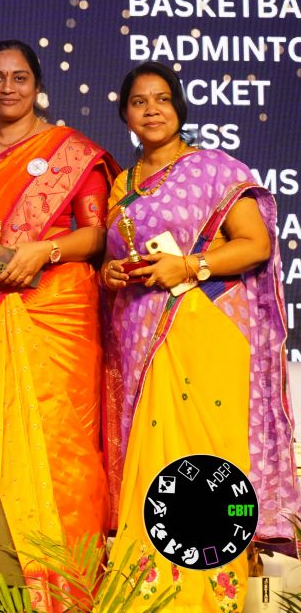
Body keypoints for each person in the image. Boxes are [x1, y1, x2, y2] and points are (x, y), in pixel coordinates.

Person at [100, 62, 299, 612]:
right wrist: (110, 272)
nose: (152, 110)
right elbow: (123, 258)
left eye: (162, 99)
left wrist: (189, 266)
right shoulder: (121, 184)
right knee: (153, 472)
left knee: (205, 470)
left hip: (203, 334)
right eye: (139, 101)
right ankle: (148, 597)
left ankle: (208, 599)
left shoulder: (215, 168)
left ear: (179, 107)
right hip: (141, 345)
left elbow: (254, 244)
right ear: (125, 115)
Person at [0, 40, 114, 603]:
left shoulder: (72, 152)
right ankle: (8, 582)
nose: (8, 88)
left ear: (37, 85)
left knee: (64, 443)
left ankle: (70, 587)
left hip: (60, 309)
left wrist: (43, 251)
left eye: (19, 77)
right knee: (5, 434)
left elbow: (96, 234)